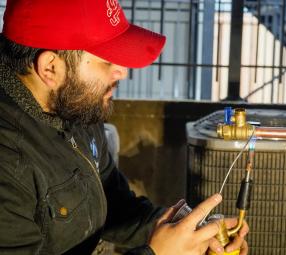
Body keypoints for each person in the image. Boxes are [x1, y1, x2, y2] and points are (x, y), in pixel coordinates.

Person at [0, 0, 248, 254]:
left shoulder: (73, 104)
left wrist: (186, 231)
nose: (122, 72)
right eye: (107, 61)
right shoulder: (9, 161)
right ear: (50, 67)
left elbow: (114, 203)